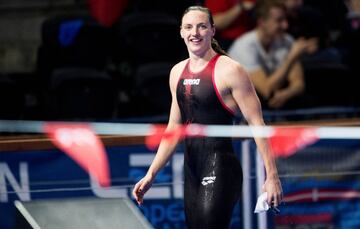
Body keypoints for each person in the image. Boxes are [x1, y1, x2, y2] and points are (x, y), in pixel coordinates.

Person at [132, 5, 282, 228]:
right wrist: (151, 174)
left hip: (221, 167)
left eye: (202, 26)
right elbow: (173, 129)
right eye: (189, 27)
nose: (195, 33)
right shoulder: (177, 73)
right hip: (191, 170)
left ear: (213, 30)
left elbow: (257, 124)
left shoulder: (230, 70)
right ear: (181, 32)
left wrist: (272, 176)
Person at [228, 0, 317, 109]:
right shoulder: (244, 46)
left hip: (269, 100)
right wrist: (291, 58)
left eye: (285, 19)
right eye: (279, 20)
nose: (285, 25)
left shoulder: (286, 41)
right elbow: (266, 90)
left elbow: (299, 84)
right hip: (237, 104)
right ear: (261, 23)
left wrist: (285, 94)